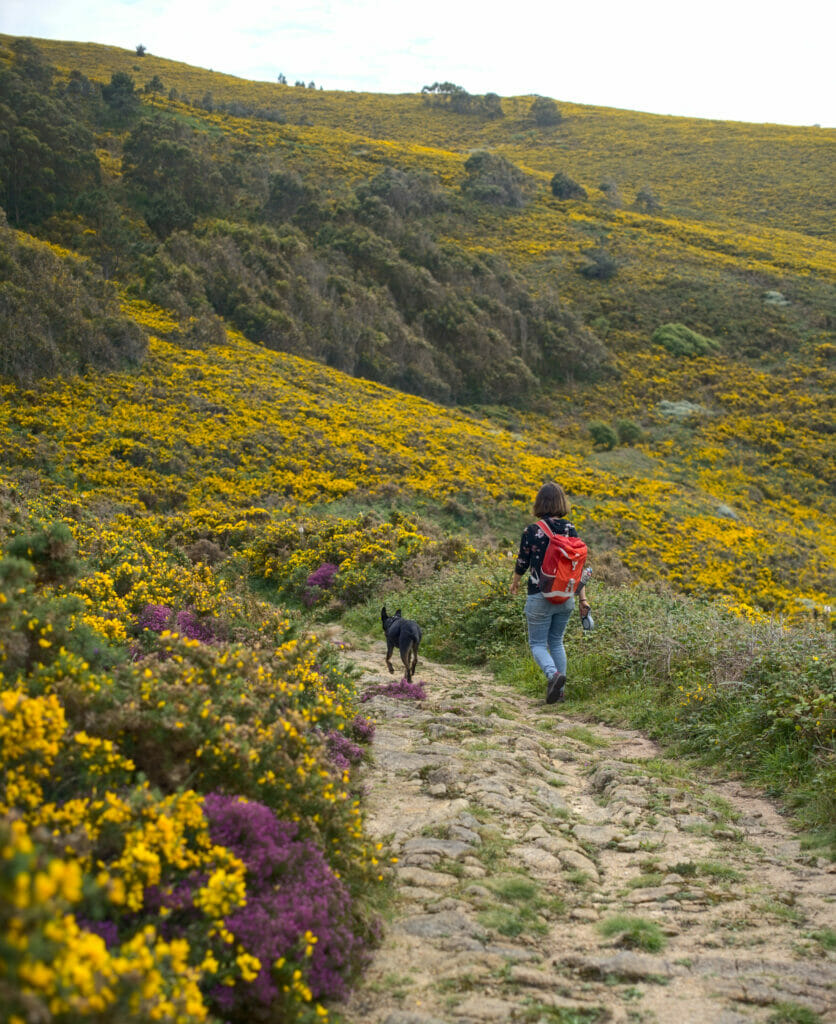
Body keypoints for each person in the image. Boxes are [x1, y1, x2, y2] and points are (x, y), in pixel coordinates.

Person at [509, 481, 591, 705]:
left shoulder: (532, 530)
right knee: (556, 642)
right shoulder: (569, 528)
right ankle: (560, 693)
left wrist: (515, 583)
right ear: (561, 502)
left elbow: (523, 561)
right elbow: (578, 566)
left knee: (537, 644)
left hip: (540, 594)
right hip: (566, 596)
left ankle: (553, 676)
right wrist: (583, 598)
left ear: (539, 503)